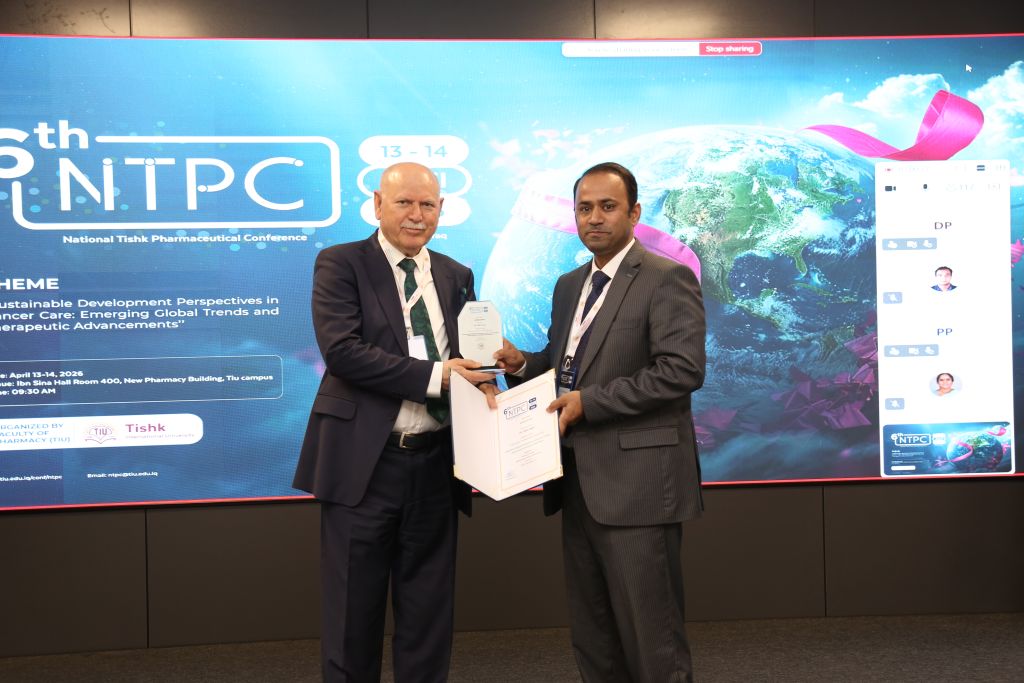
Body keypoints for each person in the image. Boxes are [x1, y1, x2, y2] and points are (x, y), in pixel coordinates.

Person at [494, 162, 707, 682]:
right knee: (594, 635)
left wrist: (590, 403)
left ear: (634, 214)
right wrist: (521, 365)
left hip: (638, 487)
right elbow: (566, 368)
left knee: (652, 639)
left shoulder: (666, 278)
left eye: (608, 207)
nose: (594, 218)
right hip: (576, 482)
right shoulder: (569, 285)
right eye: (584, 208)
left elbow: (681, 371)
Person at [293, 162, 492, 682]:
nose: (416, 215)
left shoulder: (456, 275)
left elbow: (469, 357)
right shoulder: (341, 264)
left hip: (436, 466)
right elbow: (343, 353)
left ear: (441, 209)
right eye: (404, 202)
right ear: (378, 204)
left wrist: (488, 379)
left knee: (428, 617)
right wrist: (438, 377)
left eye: (427, 204)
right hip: (365, 465)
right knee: (351, 619)